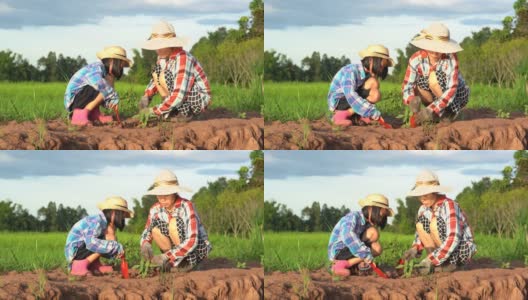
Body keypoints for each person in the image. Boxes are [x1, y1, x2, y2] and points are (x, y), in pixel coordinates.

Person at [401, 170, 476, 275]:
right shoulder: (423, 209)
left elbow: (454, 237)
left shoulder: (449, 205)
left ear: (435, 191)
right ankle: (438, 265)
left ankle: (449, 265)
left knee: (434, 223)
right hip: (441, 252)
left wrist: (430, 260)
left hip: (461, 250)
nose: (423, 198)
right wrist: (415, 249)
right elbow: (420, 236)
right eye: (420, 194)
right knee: (420, 224)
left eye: (426, 193)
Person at [138, 20, 212, 121]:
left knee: (167, 75)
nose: (158, 50)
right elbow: (156, 81)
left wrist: (154, 111)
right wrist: (147, 96)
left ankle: (186, 113)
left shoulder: (183, 58)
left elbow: (180, 93)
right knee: (157, 73)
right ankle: (172, 110)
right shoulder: (162, 58)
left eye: (161, 46)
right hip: (180, 98)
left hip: (196, 101)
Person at [140, 170, 212, 271]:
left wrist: (165, 256)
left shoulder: (186, 206)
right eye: (159, 195)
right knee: (154, 229)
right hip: (175, 250)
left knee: (173, 224)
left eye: (166, 195)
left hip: (196, 249)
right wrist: (145, 244)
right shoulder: (155, 209)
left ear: (174, 193)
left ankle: (188, 263)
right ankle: (174, 264)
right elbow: (147, 231)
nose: (162, 199)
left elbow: (192, 240)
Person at [402, 23, 470, 126]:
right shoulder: (415, 59)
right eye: (432, 47)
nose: (435, 52)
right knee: (418, 85)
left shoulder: (451, 58)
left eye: (439, 48)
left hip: (457, 97)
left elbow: (451, 90)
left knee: (433, 77)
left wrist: (430, 110)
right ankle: (437, 114)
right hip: (437, 99)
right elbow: (407, 86)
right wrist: (411, 100)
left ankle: (450, 113)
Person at [328, 194, 394, 276]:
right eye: (380, 215)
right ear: (370, 209)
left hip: (350, 252)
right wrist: (366, 255)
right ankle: (338, 265)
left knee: (377, 247)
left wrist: (366, 255)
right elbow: (348, 236)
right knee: (373, 233)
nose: (381, 219)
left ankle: (351, 265)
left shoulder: (367, 224)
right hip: (339, 253)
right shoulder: (353, 217)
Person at [64, 196, 134, 276]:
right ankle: (78, 266)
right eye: (122, 214)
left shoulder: (104, 223)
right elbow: (90, 243)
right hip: (76, 251)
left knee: (108, 238)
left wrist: (114, 248)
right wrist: (116, 246)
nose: (122, 218)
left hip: (84, 248)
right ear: (113, 212)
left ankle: (94, 265)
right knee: (108, 240)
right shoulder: (97, 221)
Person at [64, 46, 132, 126]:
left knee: (107, 83)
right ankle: (79, 115)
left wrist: (111, 78)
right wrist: (112, 96)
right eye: (120, 64)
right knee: (101, 86)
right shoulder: (96, 67)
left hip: (81, 98)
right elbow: (97, 83)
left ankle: (94, 114)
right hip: (74, 101)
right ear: (111, 60)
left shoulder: (104, 71)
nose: (121, 68)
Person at [327, 45, 394, 126]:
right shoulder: (351, 71)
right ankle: (339, 116)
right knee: (373, 85)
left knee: (375, 89)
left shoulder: (367, 75)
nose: (381, 70)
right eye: (380, 66)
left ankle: (357, 116)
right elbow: (350, 95)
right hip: (339, 102)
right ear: (371, 60)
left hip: (350, 101)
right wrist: (374, 114)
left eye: (383, 68)